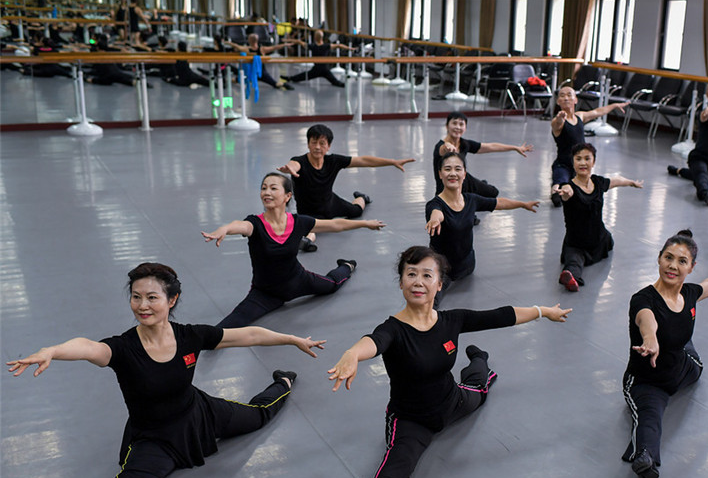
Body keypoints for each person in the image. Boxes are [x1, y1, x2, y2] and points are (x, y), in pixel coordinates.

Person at [6, 262, 325, 478]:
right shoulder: (123, 348)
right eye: (136, 297)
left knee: (257, 416)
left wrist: (292, 339)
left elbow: (248, 335)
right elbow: (89, 347)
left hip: (200, 413)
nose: (142, 305)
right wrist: (51, 351)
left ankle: (282, 382)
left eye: (152, 297)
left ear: (171, 300)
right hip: (154, 437)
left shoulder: (190, 336)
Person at [328, 246, 571, 478]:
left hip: (451, 400)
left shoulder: (451, 320)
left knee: (480, 391)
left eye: (427, 275)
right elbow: (374, 342)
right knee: (399, 461)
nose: (418, 281)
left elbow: (499, 316)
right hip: (411, 418)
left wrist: (543, 311)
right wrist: (353, 353)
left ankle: (479, 360)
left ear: (439, 284)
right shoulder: (393, 329)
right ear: (401, 281)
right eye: (411, 274)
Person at [623, 230, 708, 478]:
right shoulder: (643, 299)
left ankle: (682, 342)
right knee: (649, 418)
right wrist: (651, 340)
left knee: (696, 364)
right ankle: (645, 457)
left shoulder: (688, 293)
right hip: (648, 380)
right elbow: (646, 320)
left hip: (682, 366)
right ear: (659, 259)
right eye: (668, 258)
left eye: (682, 261)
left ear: (692, 267)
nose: (673, 266)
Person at [201, 173, 385, 328]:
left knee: (332, 285)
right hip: (265, 292)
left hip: (299, 280)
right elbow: (239, 225)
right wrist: (224, 229)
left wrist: (365, 223)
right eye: (264, 188)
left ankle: (347, 265)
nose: (267, 192)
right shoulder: (255, 224)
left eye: (273, 188)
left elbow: (335, 224)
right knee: (228, 326)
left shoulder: (299, 222)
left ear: (287, 196)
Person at [426, 152, 539, 288]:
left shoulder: (471, 200)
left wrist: (522, 204)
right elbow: (437, 213)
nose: (452, 173)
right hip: (442, 269)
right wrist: (435, 219)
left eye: (457, 169)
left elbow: (499, 203)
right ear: (440, 174)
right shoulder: (435, 204)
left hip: (467, 266)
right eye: (447, 169)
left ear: (464, 174)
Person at [277, 123, 415, 221]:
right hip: (308, 212)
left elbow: (363, 161)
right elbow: (294, 165)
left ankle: (361, 197)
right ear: (308, 144)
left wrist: (392, 161)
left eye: (322, 143)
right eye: (314, 142)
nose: (317, 147)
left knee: (356, 211)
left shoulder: (333, 161)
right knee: (312, 226)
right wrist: (290, 168)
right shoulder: (299, 161)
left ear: (328, 146)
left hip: (330, 204)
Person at [553, 143, 644, 291]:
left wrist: (631, 183)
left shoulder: (598, 182)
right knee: (574, 262)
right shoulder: (569, 187)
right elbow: (566, 189)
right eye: (578, 159)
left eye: (587, 158)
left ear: (593, 162)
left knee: (610, 241)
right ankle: (570, 277)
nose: (583, 163)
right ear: (573, 162)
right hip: (577, 243)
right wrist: (564, 191)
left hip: (599, 238)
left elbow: (616, 180)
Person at [550, 85, 628, 206]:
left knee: (583, 190)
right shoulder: (557, 121)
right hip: (563, 164)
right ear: (558, 101)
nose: (566, 98)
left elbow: (597, 112)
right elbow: (556, 124)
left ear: (575, 100)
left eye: (569, 95)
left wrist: (614, 106)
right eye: (562, 96)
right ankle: (556, 190)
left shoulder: (580, 116)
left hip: (579, 165)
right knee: (559, 187)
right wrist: (560, 118)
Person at [432, 111, 533, 197]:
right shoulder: (440, 146)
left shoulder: (464, 144)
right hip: (446, 189)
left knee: (493, 192)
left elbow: (490, 146)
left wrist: (515, 148)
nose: (458, 127)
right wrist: (447, 146)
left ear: (465, 128)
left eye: (461, 124)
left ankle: (480, 185)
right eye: (454, 123)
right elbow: (443, 149)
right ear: (447, 126)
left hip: (465, 181)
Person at [281, 29, 352, 87]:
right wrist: (350, 48)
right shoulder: (326, 46)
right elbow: (339, 45)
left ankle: (290, 78)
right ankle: (290, 78)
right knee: (336, 82)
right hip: (324, 69)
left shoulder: (313, 46)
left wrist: (287, 41)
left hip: (317, 69)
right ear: (322, 37)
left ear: (315, 37)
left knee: (302, 76)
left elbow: (299, 42)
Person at [224, 33, 294, 90]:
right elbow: (274, 47)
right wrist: (285, 45)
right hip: (258, 73)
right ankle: (283, 84)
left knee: (238, 79)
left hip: (255, 73)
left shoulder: (248, 50)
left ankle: (226, 81)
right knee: (275, 84)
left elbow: (237, 46)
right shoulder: (262, 49)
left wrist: (230, 43)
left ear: (250, 41)